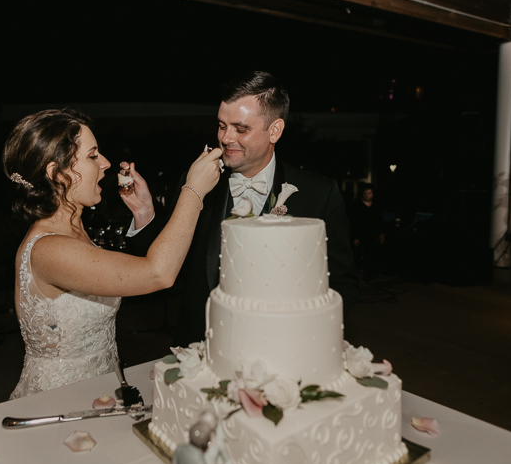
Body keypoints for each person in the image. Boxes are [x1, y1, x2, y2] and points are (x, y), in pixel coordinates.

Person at [121, 71, 358, 346]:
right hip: (202, 347)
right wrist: (144, 214)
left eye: (241, 128)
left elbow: (343, 284)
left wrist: (307, 335)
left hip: (286, 346)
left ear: (275, 131)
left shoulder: (319, 194)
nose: (226, 137)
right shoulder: (196, 181)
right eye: (222, 125)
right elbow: (166, 266)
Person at [2, 109, 221, 399]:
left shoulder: (74, 232)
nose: (105, 163)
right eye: (92, 156)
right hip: (60, 397)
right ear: (57, 173)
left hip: (102, 386)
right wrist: (193, 190)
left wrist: (143, 211)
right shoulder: (49, 249)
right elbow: (159, 273)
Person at [349, 182, 385, 280]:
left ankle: (373, 272)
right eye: (365, 193)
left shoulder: (376, 205)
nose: (367, 195)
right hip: (361, 235)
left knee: (374, 254)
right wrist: (355, 237)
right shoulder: (356, 205)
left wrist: (381, 233)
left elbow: (379, 220)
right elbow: (353, 222)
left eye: (369, 193)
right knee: (361, 256)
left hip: (373, 234)